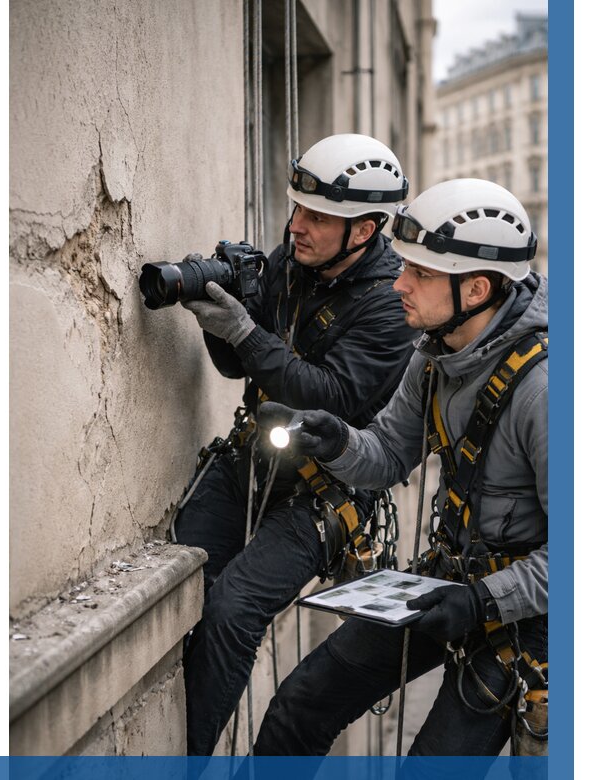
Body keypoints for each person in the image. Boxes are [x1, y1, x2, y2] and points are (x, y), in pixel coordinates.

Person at [255, 178, 548, 757]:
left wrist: (482, 602)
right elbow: (387, 455)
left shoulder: (547, 390)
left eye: (421, 273)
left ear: (477, 288)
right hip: (454, 579)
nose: (399, 283)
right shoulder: (435, 354)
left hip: (531, 616)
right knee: (300, 706)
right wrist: (335, 439)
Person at [173, 133, 416, 755]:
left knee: (233, 608)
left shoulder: (390, 304)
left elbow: (330, 396)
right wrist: (218, 317)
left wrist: (248, 333)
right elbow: (238, 368)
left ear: (363, 231)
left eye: (316, 217)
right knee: (179, 584)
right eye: (296, 209)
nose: (297, 225)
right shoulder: (293, 260)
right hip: (251, 461)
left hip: (323, 494)